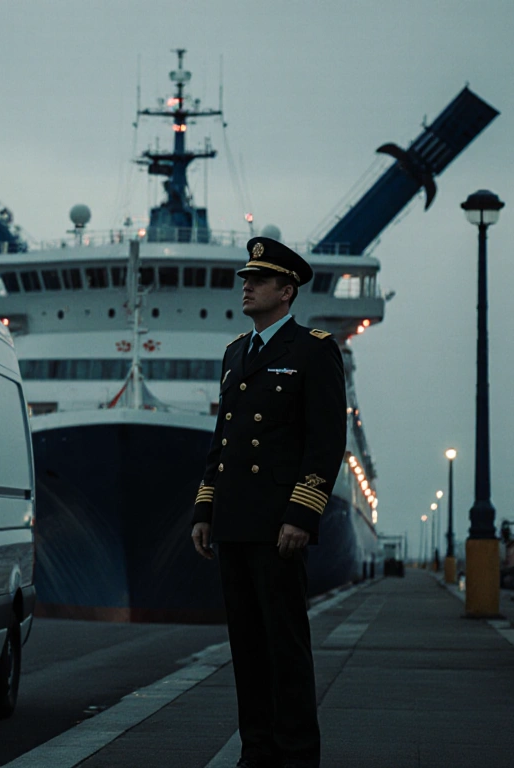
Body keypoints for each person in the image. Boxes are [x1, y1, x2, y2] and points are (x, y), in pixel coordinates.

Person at [190, 237, 347, 768]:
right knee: (247, 649)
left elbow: (325, 441)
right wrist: (205, 509)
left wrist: (303, 513)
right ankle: (257, 751)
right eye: (245, 279)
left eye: (258, 280)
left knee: (285, 648)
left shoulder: (313, 349)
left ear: (287, 291)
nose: (246, 286)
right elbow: (223, 441)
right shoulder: (236, 353)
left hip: (278, 524)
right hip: (234, 522)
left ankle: (298, 755)